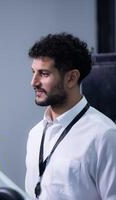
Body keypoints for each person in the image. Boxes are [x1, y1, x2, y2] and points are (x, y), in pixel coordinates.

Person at [25, 33, 116, 199]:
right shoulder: (35, 134)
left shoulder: (104, 135)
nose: (34, 82)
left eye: (44, 74)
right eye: (33, 72)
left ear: (72, 78)